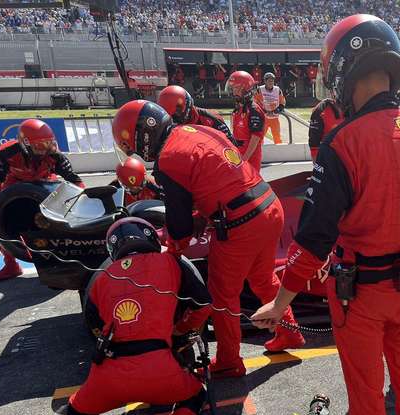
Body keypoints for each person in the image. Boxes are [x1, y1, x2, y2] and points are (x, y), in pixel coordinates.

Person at [251, 14, 400, 415]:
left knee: (364, 387)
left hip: (361, 292)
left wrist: (280, 301)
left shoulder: (344, 142)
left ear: (342, 70)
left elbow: (314, 239)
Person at [111, 100, 304, 378]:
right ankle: (290, 332)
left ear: (142, 137)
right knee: (262, 279)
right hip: (269, 206)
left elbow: (179, 222)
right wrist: (204, 213)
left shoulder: (168, 159)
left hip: (242, 221)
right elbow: (218, 176)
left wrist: (174, 248)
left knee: (222, 296)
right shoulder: (195, 130)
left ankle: (228, 361)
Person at [67, 217, 210, 415]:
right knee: (196, 392)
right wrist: (180, 333)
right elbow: (203, 304)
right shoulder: (171, 261)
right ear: (151, 239)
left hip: (109, 373)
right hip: (160, 368)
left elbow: (93, 326)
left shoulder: (101, 278)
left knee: (77, 412)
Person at [0, 119, 84, 281]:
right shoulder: (6, 153)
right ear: (25, 144)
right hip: (14, 185)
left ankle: (63, 258)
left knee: (65, 216)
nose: (45, 149)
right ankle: (11, 264)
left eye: (48, 143)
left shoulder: (55, 154)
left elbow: (74, 180)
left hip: (46, 184)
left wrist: (82, 204)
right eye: (40, 145)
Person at [157, 85, 235, 144]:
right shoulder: (167, 127)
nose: (174, 119)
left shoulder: (211, 118)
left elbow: (230, 145)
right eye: (170, 115)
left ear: (186, 104)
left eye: (177, 112)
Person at [227, 70, 266, 172]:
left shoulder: (254, 110)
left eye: (236, 88)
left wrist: (244, 159)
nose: (233, 92)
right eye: (232, 88)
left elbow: (255, 138)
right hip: (238, 155)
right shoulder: (238, 109)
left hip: (249, 158)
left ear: (246, 89)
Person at [255, 72, 286, 144]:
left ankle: (279, 151)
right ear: (265, 81)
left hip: (274, 118)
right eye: (269, 81)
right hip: (264, 118)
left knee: (277, 137)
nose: (271, 82)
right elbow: (255, 102)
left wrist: (278, 109)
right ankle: (260, 151)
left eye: (272, 81)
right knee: (260, 136)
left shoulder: (277, 90)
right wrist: (263, 111)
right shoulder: (260, 89)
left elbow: (282, 102)